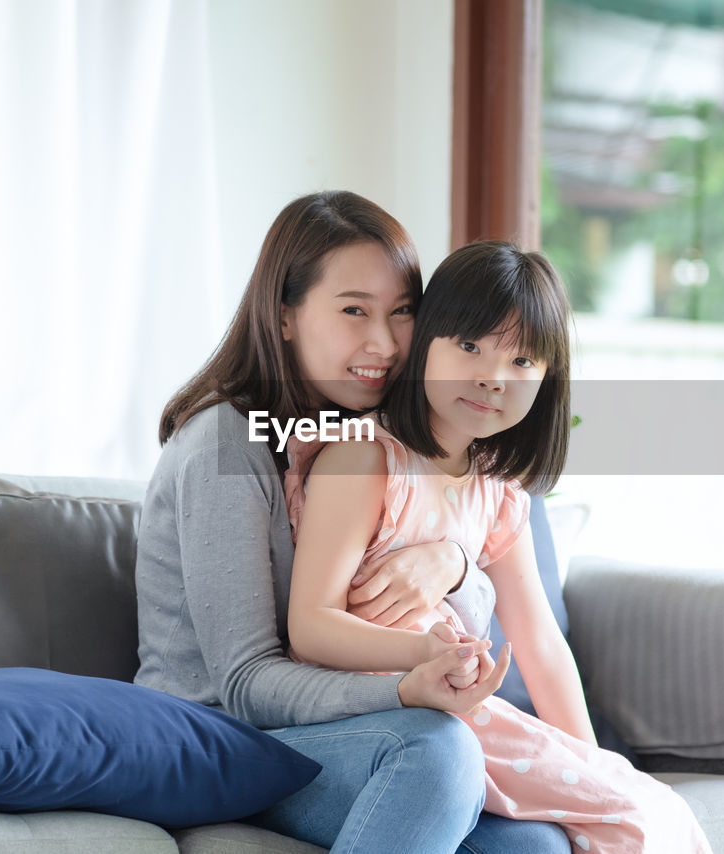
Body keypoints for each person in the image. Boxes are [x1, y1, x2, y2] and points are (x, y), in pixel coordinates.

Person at [134, 191, 571, 854]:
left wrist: (452, 563)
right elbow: (250, 684)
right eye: (353, 312)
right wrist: (404, 686)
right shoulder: (225, 446)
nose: (384, 343)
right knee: (438, 754)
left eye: (401, 313)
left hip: (328, 736)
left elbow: (473, 582)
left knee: (534, 846)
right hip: (222, 741)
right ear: (284, 317)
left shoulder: (370, 441)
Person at [283, 241, 714, 853]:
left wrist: (590, 762)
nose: (491, 376)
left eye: (522, 361)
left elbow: (539, 641)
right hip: (379, 716)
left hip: (452, 703)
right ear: (426, 339)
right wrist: (421, 652)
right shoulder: (365, 459)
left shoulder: (497, 491)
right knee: (635, 818)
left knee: (639, 803)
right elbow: (310, 626)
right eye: (469, 346)